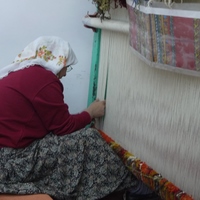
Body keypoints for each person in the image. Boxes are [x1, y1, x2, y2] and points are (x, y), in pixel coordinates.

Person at [0, 36, 161, 200]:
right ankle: (133, 186)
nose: (64, 74)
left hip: (6, 162)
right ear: (58, 61)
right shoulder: (43, 79)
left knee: (70, 143)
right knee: (89, 138)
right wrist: (90, 112)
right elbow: (64, 127)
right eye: (67, 68)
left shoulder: (17, 75)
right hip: (16, 163)